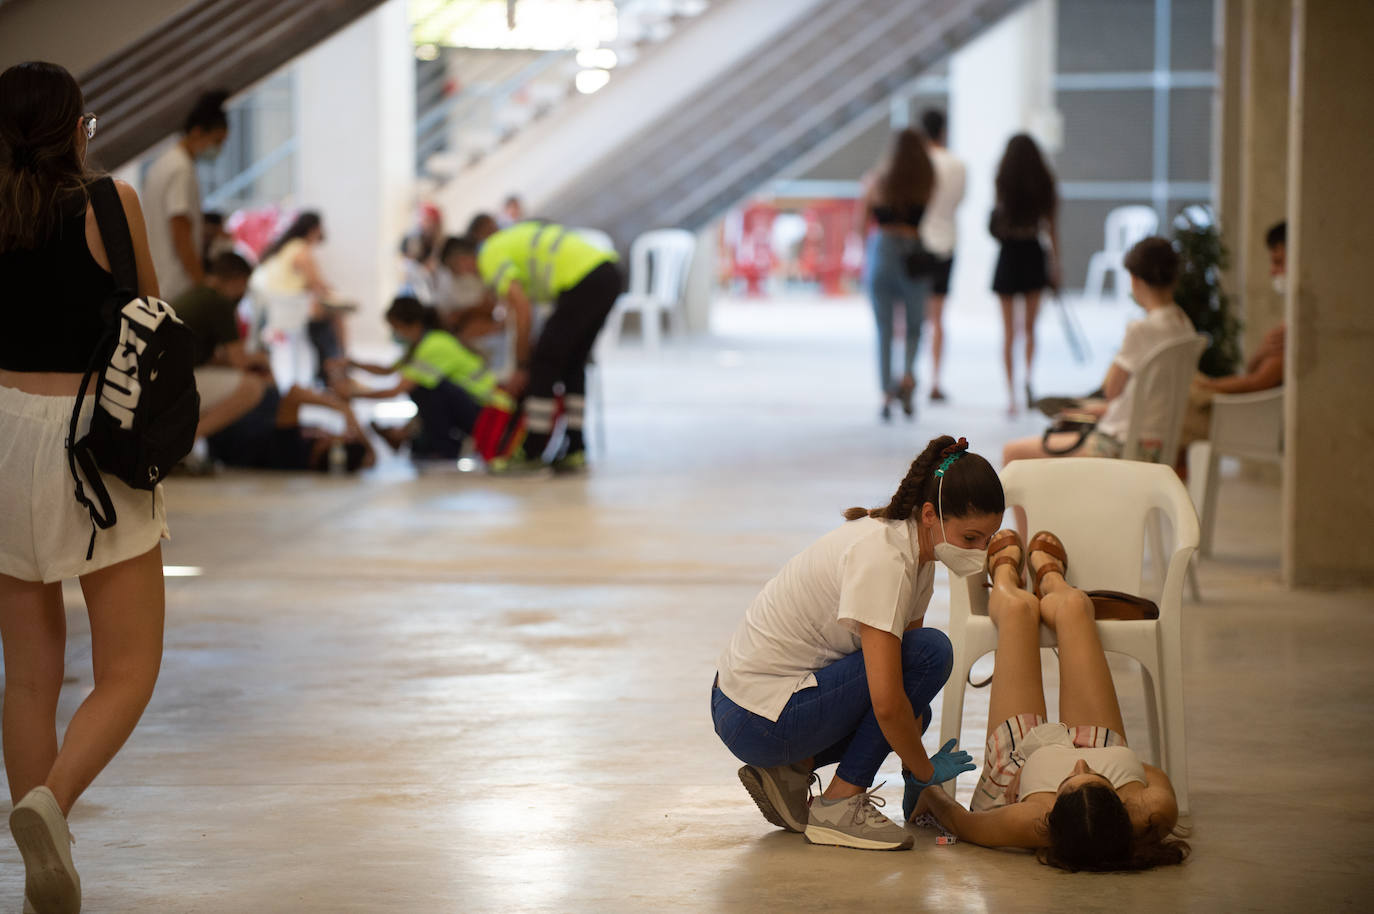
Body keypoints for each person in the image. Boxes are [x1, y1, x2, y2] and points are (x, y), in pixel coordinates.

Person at [1, 61, 169, 914]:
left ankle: (44, 872)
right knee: (129, 667)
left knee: (28, 674)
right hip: (88, 438)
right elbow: (147, 318)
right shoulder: (113, 203)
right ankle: (48, 807)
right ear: (77, 127)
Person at [712, 435, 1002, 851]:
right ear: (929, 515)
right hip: (755, 718)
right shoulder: (884, 559)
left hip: (750, 705)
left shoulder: (914, 553)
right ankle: (840, 806)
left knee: (913, 713)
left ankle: (793, 768)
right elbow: (889, 697)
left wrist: (912, 772)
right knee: (930, 655)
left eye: (988, 539)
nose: (980, 551)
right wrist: (921, 770)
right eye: (971, 538)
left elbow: (903, 686)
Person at [912, 529, 1190, 871]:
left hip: (1020, 761)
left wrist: (928, 789)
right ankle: (1052, 582)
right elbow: (1150, 773)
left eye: (1068, 780)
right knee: (1075, 606)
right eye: (1095, 776)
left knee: (1019, 610)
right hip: (1103, 744)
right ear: (1121, 805)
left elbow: (956, 823)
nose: (1079, 763)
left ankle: (1003, 577)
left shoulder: (1030, 822)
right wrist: (1126, 770)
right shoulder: (1153, 811)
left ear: (1051, 818)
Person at [1002, 236, 1195, 465]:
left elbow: (1111, 390)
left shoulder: (1142, 329)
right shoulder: (1184, 325)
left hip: (1118, 447)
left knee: (1013, 454)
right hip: (1156, 447)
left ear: (1135, 280)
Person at [461, 220, 622, 473]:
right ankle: (575, 447)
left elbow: (521, 310)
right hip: (608, 274)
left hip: (584, 279)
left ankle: (532, 452)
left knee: (543, 363)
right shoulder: (511, 241)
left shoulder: (488, 254)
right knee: (572, 364)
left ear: (464, 262)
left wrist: (523, 365)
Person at [333, 296, 511, 459]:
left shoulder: (432, 346)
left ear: (409, 324)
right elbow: (387, 370)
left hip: (489, 409)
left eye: (395, 328)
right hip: (480, 404)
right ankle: (408, 437)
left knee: (423, 389)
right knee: (423, 393)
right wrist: (352, 364)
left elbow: (396, 390)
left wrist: (353, 394)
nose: (395, 334)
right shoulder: (422, 344)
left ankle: (446, 447)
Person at [856, 128, 936, 421]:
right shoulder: (925, 181)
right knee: (915, 326)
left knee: (885, 328)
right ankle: (908, 377)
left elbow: (861, 223)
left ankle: (886, 392)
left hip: (883, 250)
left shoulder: (876, 181)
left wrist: (868, 252)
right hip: (913, 252)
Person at [990, 133, 1061, 416]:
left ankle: (1011, 395)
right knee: (1030, 327)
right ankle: (1029, 380)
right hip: (1033, 253)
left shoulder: (1002, 181)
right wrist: (1056, 265)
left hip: (1008, 254)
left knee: (1008, 331)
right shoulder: (1045, 184)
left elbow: (996, 217)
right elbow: (1052, 229)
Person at [172, 251, 272, 439]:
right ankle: (182, 443)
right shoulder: (219, 302)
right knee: (252, 388)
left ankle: (180, 443)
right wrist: (262, 359)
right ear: (239, 280)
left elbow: (213, 360)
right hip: (172, 386)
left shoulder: (197, 294)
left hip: (160, 380)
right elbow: (239, 362)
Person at [142, 89, 229, 302]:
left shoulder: (164, 163)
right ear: (197, 132)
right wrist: (201, 283)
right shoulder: (182, 169)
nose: (218, 149)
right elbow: (179, 229)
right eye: (216, 141)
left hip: (159, 280)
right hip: (175, 287)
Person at [251, 211, 345, 387]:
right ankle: (339, 365)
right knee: (336, 317)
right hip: (290, 308)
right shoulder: (301, 251)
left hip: (277, 307)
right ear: (314, 229)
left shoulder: (284, 247)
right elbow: (317, 285)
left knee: (326, 318)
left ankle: (331, 367)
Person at [205, 383, 374, 473]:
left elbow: (294, 394)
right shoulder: (306, 458)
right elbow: (371, 458)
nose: (344, 432)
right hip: (243, 418)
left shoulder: (294, 450)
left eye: (345, 437)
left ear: (330, 447)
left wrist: (341, 408)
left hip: (221, 420)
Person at [918, 109, 966, 404]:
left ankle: (907, 374)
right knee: (938, 317)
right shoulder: (957, 164)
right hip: (947, 241)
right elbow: (958, 201)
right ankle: (935, 380)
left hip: (919, 243)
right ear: (943, 131)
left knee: (910, 317)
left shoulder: (919, 165)